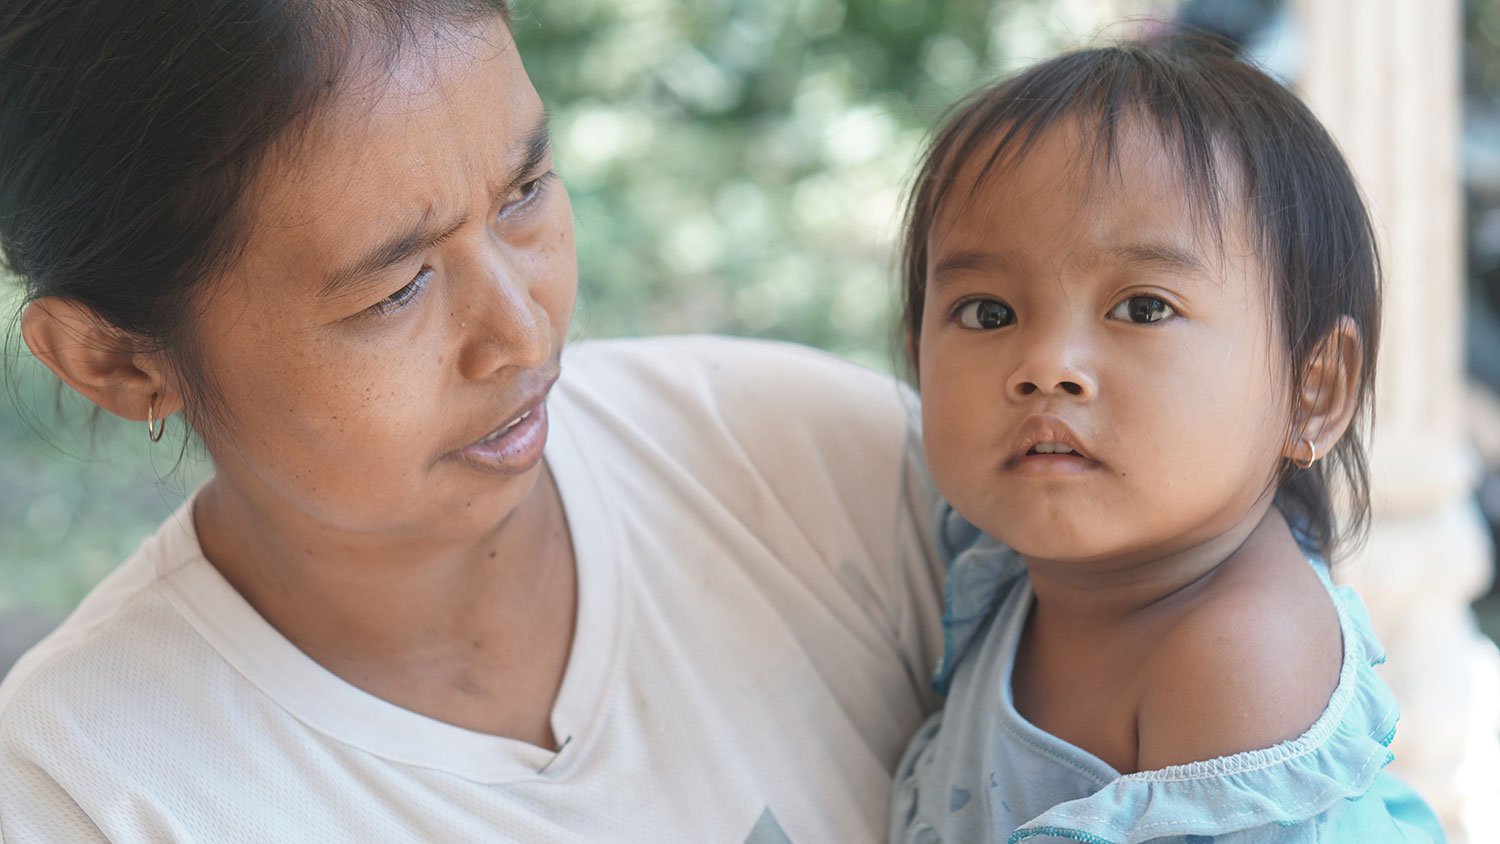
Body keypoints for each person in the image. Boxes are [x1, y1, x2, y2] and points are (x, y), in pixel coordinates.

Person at [0, 2, 947, 840]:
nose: (523, 336)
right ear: (115, 362)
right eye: (395, 291)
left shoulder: (817, 469)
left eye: (524, 194)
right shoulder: (84, 796)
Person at [888, 41, 1447, 842]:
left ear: (1312, 391)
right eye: (988, 313)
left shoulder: (1241, 661)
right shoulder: (993, 559)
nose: (1045, 367)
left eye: (1143, 308)